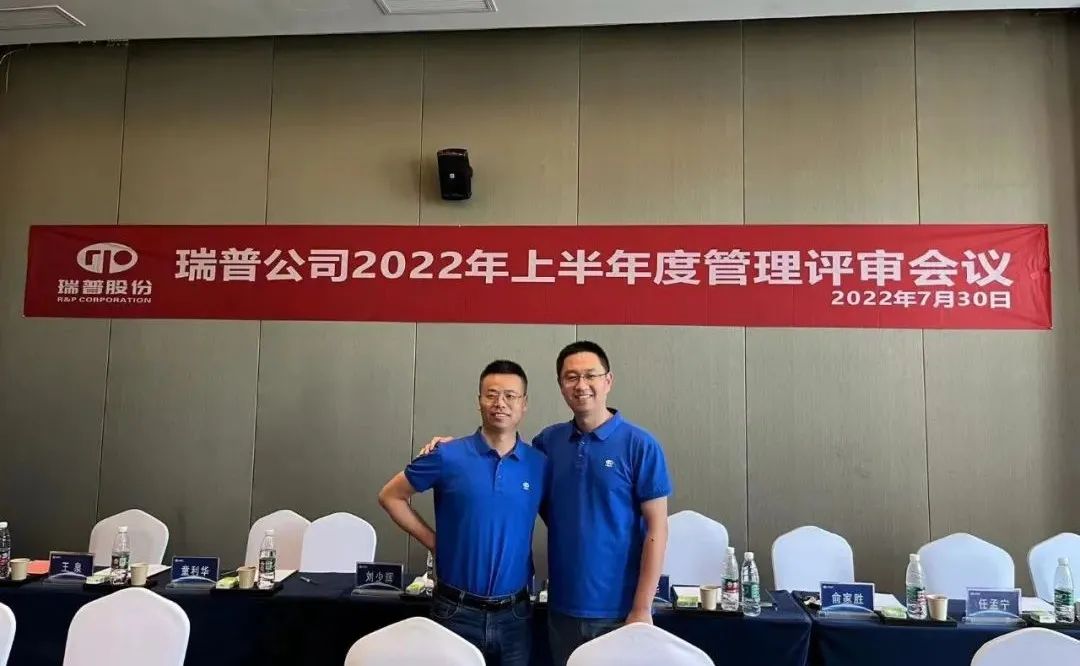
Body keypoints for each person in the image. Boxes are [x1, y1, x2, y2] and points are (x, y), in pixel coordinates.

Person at [420, 341, 672, 666]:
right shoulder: (548, 443)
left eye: (590, 375)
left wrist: (641, 608)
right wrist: (454, 448)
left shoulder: (641, 445)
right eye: (571, 377)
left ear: (608, 380)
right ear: (561, 385)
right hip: (561, 608)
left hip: (620, 610)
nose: (581, 385)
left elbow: (657, 529)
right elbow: (504, 458)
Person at [378, 359, 547, 666]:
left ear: (524, 404)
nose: (500, 403)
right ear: (479, 400)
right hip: (455, 610)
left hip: (515, 615)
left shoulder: (539, 464)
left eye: (510, 396)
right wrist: (433, 541)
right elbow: (390, 496)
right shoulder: (447, 455)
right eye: (491, 394)